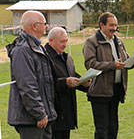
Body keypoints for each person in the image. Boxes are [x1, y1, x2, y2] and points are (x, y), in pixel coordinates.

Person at [82, 12, 134, 139]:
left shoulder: (118, 41)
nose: (114, 28)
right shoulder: (91, 42)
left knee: (113, 128)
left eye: (116, 25)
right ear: (101, 25)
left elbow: (124, 62)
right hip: (99, 92)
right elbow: (90, 64)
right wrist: (112, 65)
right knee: (102, 130)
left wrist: (133, 62)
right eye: (111, 25)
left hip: (116, 90)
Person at [6, 10, 57, 139]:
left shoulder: (37, 47)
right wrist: (39, 113)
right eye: (44, 23)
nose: (47, 26)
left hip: (43, 117)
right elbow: (27, 86)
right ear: (35, 26)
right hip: (32, 119)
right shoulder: (22, 50)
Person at [44, 27, 91, 139]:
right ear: (50, 41)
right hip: (53, 113)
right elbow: (45, 83)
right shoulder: (44, 58)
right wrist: (65, 82)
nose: (65, 44)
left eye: (66, 41)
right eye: (61, 42)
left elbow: (71, 74)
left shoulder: (67, 57)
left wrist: (83, 82)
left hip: (67, 113)